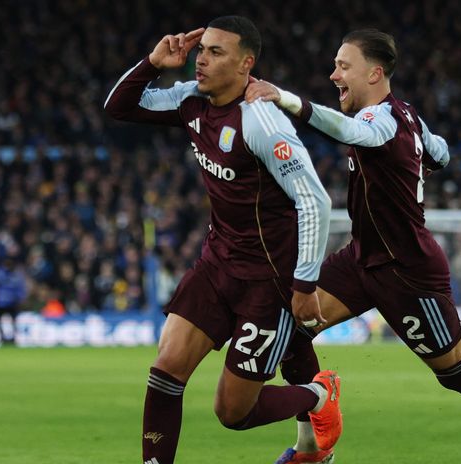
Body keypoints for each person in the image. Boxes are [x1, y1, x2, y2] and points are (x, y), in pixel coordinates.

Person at [246, 29, 461, 464]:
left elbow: (348, 129)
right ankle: (312, 445)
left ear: (375, 73)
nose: (333, 74)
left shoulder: (377, 119)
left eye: (344, 67)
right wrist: (412, 165)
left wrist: (289, 101)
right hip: (364, 257)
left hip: (407, 271)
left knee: (455, 371)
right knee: (289, 324)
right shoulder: (409, 118)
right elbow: (441, 153)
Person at [103, 16, 341, 464]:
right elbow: (118, 107)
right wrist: (154, 63)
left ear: (246, 64)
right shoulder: (191, 101)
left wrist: (305, 285)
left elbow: (316, 201)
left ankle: (316, 395)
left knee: (233, 413)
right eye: (201, 49)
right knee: (165, 369)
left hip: (266, 284)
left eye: (216, 52)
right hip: (216, 265)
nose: (201, 59)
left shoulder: (262, 123)